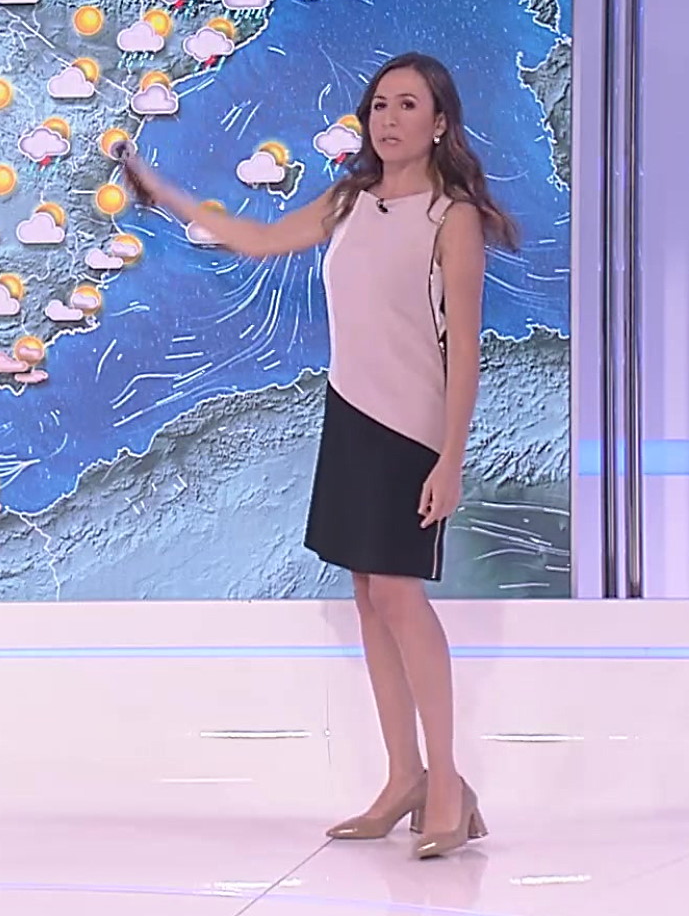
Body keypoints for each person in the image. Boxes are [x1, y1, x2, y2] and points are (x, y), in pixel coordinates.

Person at [118, 53, 519, 860]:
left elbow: (467, 353)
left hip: (412, 431)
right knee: (369, 597)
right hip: (351, 416)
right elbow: (259, 239)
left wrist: (451, 459)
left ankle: (448, 785)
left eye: (408, 106)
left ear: (440, 123)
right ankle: (404, 777)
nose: (389, 119)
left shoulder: (452, 219)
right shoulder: (348, 201)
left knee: (399, 597)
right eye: (379, 105)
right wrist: (163, 194)